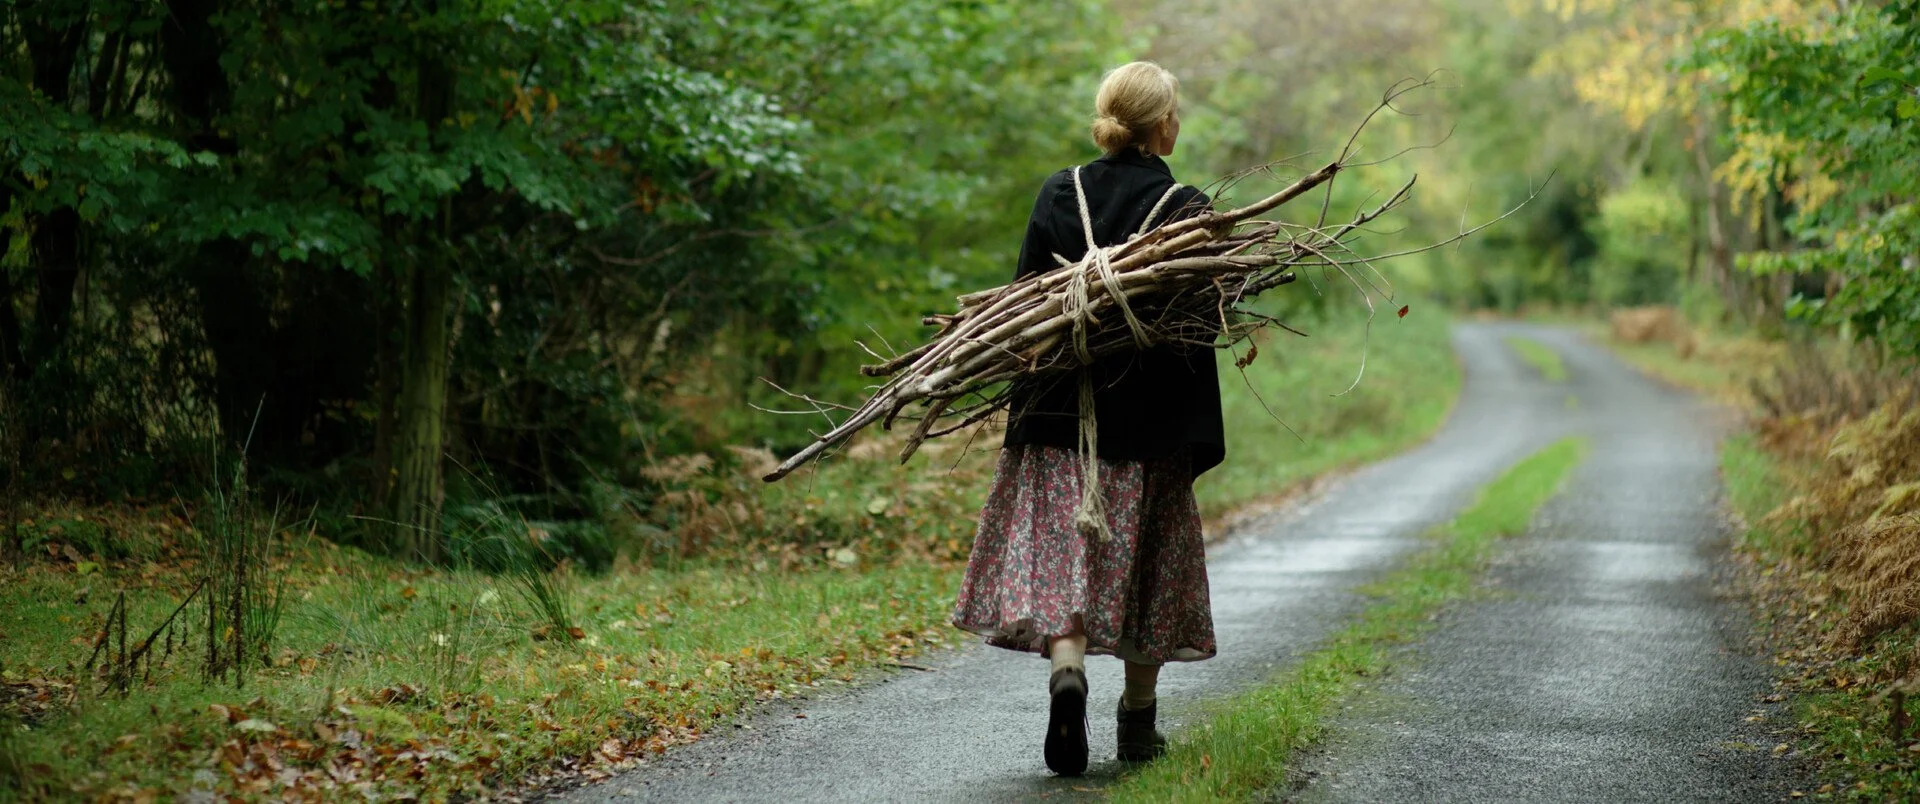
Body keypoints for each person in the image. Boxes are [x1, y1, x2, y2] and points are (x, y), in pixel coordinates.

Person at [950, 61, 1220, 777]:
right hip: (1148, 427)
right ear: (1163, 127)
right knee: (1147, 565)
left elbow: (1025, 304)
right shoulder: (1188, 211)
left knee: (1065, 556)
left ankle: (1067, 669)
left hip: (1059, 414)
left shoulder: (1057, 192)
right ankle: (1137, 723)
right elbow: (1200, 327)